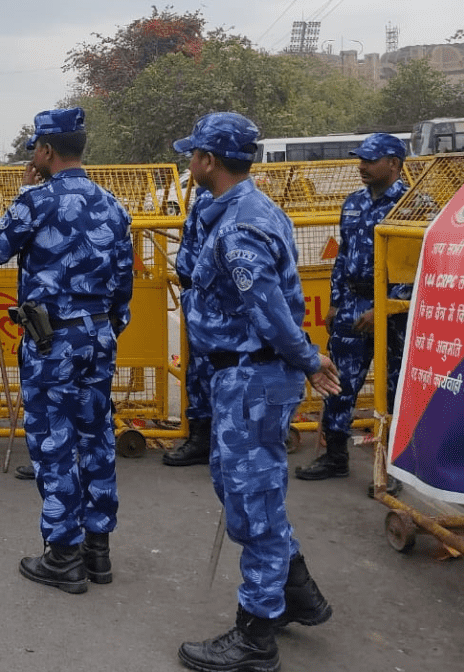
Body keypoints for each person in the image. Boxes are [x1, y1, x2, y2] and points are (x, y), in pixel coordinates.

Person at [172, 113, 341, 672]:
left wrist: (309, 359)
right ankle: (297, 593)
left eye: (193, 155)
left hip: (254, 375)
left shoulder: (243, 225)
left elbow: (269, 312)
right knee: (240, 487)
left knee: (255, 503)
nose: (188, 163)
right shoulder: (233, 210)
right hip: (238, 375)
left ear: (209, 162)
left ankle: (255, 637)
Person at [0, 108, 134, 594]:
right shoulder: (115, 206)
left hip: (51, 342)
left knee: (53, 442)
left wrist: (25, 189)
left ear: (45, 151)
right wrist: (103, 331)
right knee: (97, 437)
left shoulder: (35, 199)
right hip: (98, 339)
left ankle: (63, 555)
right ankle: (97, 551)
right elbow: (124, 289)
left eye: (36, 153)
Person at [297, 132, 410, 486]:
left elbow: (419, 263)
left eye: (370, 160)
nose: (361, 166)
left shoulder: (413, 205)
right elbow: (342, 256)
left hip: (394, 308)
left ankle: (392, 468)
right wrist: (334, 303)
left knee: (395, 389)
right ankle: (335, 456)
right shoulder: (353, 203)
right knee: (338, 382)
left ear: (393, 163)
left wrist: (383, 308)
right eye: (360, 159)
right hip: (352, 303)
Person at [162, 185, 215, 467]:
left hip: (210, 303)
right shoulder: (206, 198)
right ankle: (202, 438)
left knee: (208, 371)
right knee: (198, 371)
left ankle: (207, 440)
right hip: (200, 300)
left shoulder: (214, 201)